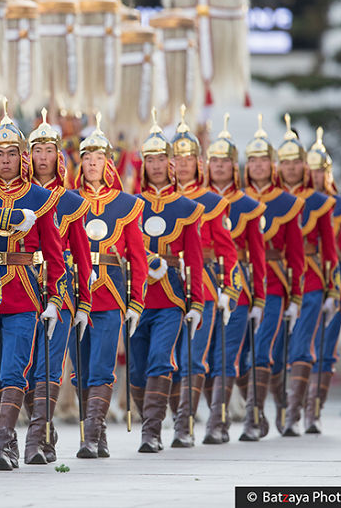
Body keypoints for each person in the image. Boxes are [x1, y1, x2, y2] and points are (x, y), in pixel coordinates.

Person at [0, 101, 67, 472]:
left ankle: (2, 442)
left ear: (22, 157)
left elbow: (55, 253)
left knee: (16, 368)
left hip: (25, 291)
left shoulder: (40, 198)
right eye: (0, 154)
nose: (7, 160)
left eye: (13, 154)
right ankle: (9, 434)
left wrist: (55, 299)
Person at [71, 117, 146, 459]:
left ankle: (89, 437)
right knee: (80, 368)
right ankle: (97, 433)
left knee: (102, 365)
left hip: (111, 292)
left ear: (108, 163)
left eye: (98, 159)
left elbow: (137, 257)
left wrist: (136, 301)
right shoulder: (68, 201)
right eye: (87, 158)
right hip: (75, 292)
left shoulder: (126, 204)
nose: (92, 165)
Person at [132, 110, 204, 454]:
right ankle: (157, 420)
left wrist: (197, 302)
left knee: (162, 360)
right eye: (151, 159)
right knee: (136, 369)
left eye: (162, 159)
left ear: (170, 164)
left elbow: (195, 258)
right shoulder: (131, 205)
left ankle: (153, 431)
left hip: (172, 297)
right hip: (136, 296)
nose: (157, 165)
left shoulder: (187, 207)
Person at [168, 108, 240, 448]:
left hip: (205, 284)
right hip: (164, 287)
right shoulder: (156, 199)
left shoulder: (212, 201)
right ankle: (174, 417)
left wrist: (231, 288)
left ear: (199, 162)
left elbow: (228, 250)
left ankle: (188, 423)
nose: (182, 165)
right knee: (165, 358)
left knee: (194, 357)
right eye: (176, 159)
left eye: (188, 159)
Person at [24, 109, 91, 464]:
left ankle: (37, 438)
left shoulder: (71, 200)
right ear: (29, 155)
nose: (43, 158)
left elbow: (81, 254)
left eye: (50, 151)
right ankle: (42, 430)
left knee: (49, 365)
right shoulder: (16, 194)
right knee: (23, 363)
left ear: (58, 156)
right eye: (37, 150)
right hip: (19, 286)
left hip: (60, 288)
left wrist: (85, 303)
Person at [240, 115, 305, 442]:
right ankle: (261, 408)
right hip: (239, 284)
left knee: (266, 349)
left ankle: (256, 416)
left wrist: (296, 296)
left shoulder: (288, 203)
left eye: (264, 160)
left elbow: (296, 255)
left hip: (274, 284)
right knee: (241, 353)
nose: (258, 165)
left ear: (273, 164)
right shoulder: (234, 200)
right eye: (252, 160)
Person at [274, 115, 337, 436]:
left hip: (310, 280)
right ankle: (274, 407)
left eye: (296, 163)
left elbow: (330, 250)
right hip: (273, 279)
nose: (291, 169)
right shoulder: (265, 200)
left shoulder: (320, 202)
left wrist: (334, 291)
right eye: (284, 163)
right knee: (271, 351)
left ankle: (294, 414)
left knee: (301, 347)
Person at [205, 114, 266, 444]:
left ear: (234, 167)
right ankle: (222, 415)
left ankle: (219, 422)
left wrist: (259, 297)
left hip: (236, 285)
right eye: (213, 161)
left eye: (224, 162)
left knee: (226, 356)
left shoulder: (247, 205)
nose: (218, 167)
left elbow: (257, 256)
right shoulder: (195, 201)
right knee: (205, 356)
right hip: (200, 281)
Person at [303, 127, 341, 434]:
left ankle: (314, 410)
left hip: (333, 283)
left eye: (318, 171)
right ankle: (295, 406)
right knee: (300, 348)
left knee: (325, 350)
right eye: (308, 171)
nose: (313, 177)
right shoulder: (294, 202)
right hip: (298, 281)